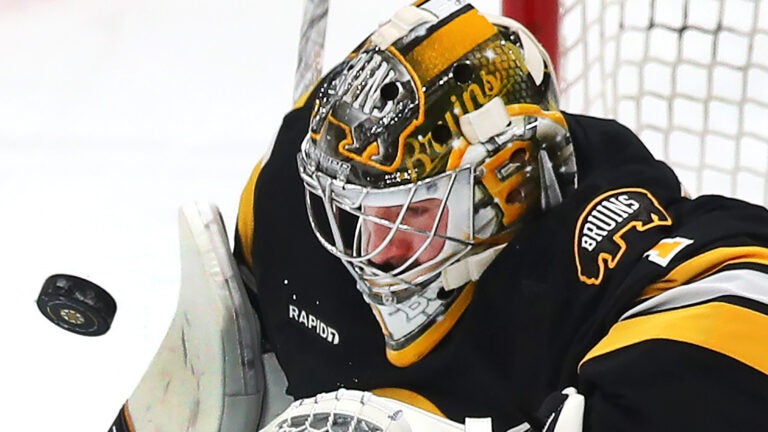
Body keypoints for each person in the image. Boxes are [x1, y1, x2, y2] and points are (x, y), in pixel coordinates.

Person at [233, 0, 768, 430]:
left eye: (413, 213)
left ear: (506, 184)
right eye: (356, 215)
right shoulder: (292, 223)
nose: (375, 250)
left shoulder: (593, 270)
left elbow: (746, 296)